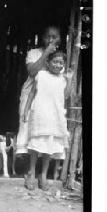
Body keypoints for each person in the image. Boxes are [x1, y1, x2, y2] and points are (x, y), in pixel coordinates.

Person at [15, 26, 64, 179]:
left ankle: (41, 172)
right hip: (32, 95)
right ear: (42, 38)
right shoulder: (33, 53)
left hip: (49, 101)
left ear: (60, 39)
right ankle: (24, 170)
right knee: (26, 127)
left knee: (44, 131)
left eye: (54, 37)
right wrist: (46, 54)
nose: (51, 40)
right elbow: (32, 71)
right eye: (48, 36)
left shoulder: (59, 58)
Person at [22, 51, 71, 190]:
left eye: (61, 63)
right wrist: (26, 111)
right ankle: (31, 173)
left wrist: (70, 79)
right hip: (40, 115)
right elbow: (32, 93)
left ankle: (43, 175)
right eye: (55, 61)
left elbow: (65, 96)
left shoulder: (62, 79)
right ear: (48, 63)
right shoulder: (41, 75)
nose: (58, 65)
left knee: (48, 148)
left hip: (55, 117)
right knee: (35, 146)